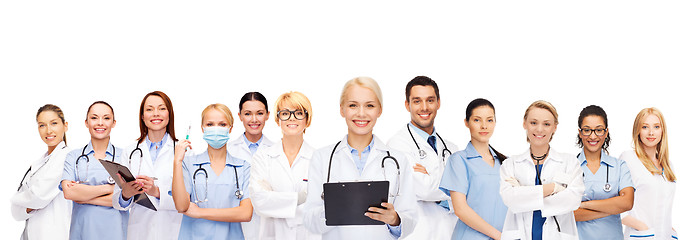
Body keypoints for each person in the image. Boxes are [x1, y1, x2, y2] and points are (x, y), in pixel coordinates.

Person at [303, 77, 417, 239]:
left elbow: (410, 216)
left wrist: (395, 219)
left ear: (379, 110)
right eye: (353, 105)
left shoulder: (397, 160)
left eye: (369, 105)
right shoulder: (322, 158)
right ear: (342, 109)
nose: (361, 113)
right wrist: (330, 210)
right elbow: (309, 220)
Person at [499, 100, 584, 240]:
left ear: (554, 127)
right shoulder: (510, 164)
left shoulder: (570, 163)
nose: (539, 129)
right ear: (524, 124)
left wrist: (523, 194)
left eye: (546, 124)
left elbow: (572, 200)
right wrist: (554, 188)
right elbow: (510, 199)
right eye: (533, 123)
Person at [386, 76, 459, 239]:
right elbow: (423, 189)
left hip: (451, 233)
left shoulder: (452, 149)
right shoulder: (397, 145)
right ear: (407, 105)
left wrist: (431, 180)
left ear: (438, 103)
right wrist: (454, 187)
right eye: (417, 101)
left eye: (430, 100)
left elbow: (469, 195)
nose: (424, 107)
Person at [172, 103, 253, 240]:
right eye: (210, 124)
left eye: (222, 124)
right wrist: (177, 161)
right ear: (202, 129)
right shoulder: (188, 164)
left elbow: (246, 213)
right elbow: (181, 205)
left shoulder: (242, 167)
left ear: (230, 128)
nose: (216, 129)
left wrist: (199, 212)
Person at [249, 91, 321, 240]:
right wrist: (300, 199)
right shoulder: (263, 158)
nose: (292, 118)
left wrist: (276, 199)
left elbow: (320, 207)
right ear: (277, 119)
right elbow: (260, 201)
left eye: (299, 113)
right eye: (285, 113)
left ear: (307, 120)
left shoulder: (320, 159)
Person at [112, 91, 183, 239]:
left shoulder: (183, 151)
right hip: (140, 232)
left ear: (169, 114)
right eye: (149, 109)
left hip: (173, 231)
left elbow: (188, 201)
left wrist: (156, 192)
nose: (155, 113)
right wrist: (126, 194)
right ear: (143, 117)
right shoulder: (130, 152)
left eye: (162, 108)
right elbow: (117, 203)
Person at [439, 98, 508, 240]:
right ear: (467, 123)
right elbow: (460, 209)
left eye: (489, 120)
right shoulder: (459, 160)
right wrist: (499, 236)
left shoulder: (505, 163)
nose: (484, 126)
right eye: (477, 120)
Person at [60, 101, 128, 240]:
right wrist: (111, 188)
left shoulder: (125, 156)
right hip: (83, 232)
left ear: (114, 123)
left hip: (116, 233)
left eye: (106, 118)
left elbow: (126, 200)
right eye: (94, 117)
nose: (100, 123)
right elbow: (69, 192)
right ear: (86, 122)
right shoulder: (74, 157)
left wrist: (83, 196)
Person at [12, 104, 72, 240]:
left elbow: (38, 197)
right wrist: (26, 205)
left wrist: (17, 200)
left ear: (65, 126)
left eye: (54, 123)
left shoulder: (67, 158)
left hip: (55, 234)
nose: (48, 130)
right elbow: (15, 213)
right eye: (42, 125)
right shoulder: (37, 164)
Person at [573, 105, 634, 240]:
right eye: (587, 130)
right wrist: (612, 208)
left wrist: (584, 205)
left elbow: (627, 203)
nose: (593, 136)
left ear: (606, 132)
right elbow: (567, 213)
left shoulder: (619, 166)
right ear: (580, 132)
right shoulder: (569, 166)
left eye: (599, 130)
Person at [619, 107, 677, 239]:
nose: (651, 132)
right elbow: (616, 205)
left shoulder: (668, 165)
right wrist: (642, 227)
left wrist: (670, 229)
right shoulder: (628, 158)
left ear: (662, 131)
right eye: (645, 127)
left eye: (656, 127)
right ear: (637, 130)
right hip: (642, 235)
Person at [228, 91, 275, 240]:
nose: (254, 119)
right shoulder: (228, 150)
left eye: (259, 113)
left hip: (269, 224)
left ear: (267, 115)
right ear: (240, 116)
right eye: (248, 114)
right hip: (235, 225)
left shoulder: (277, 151)